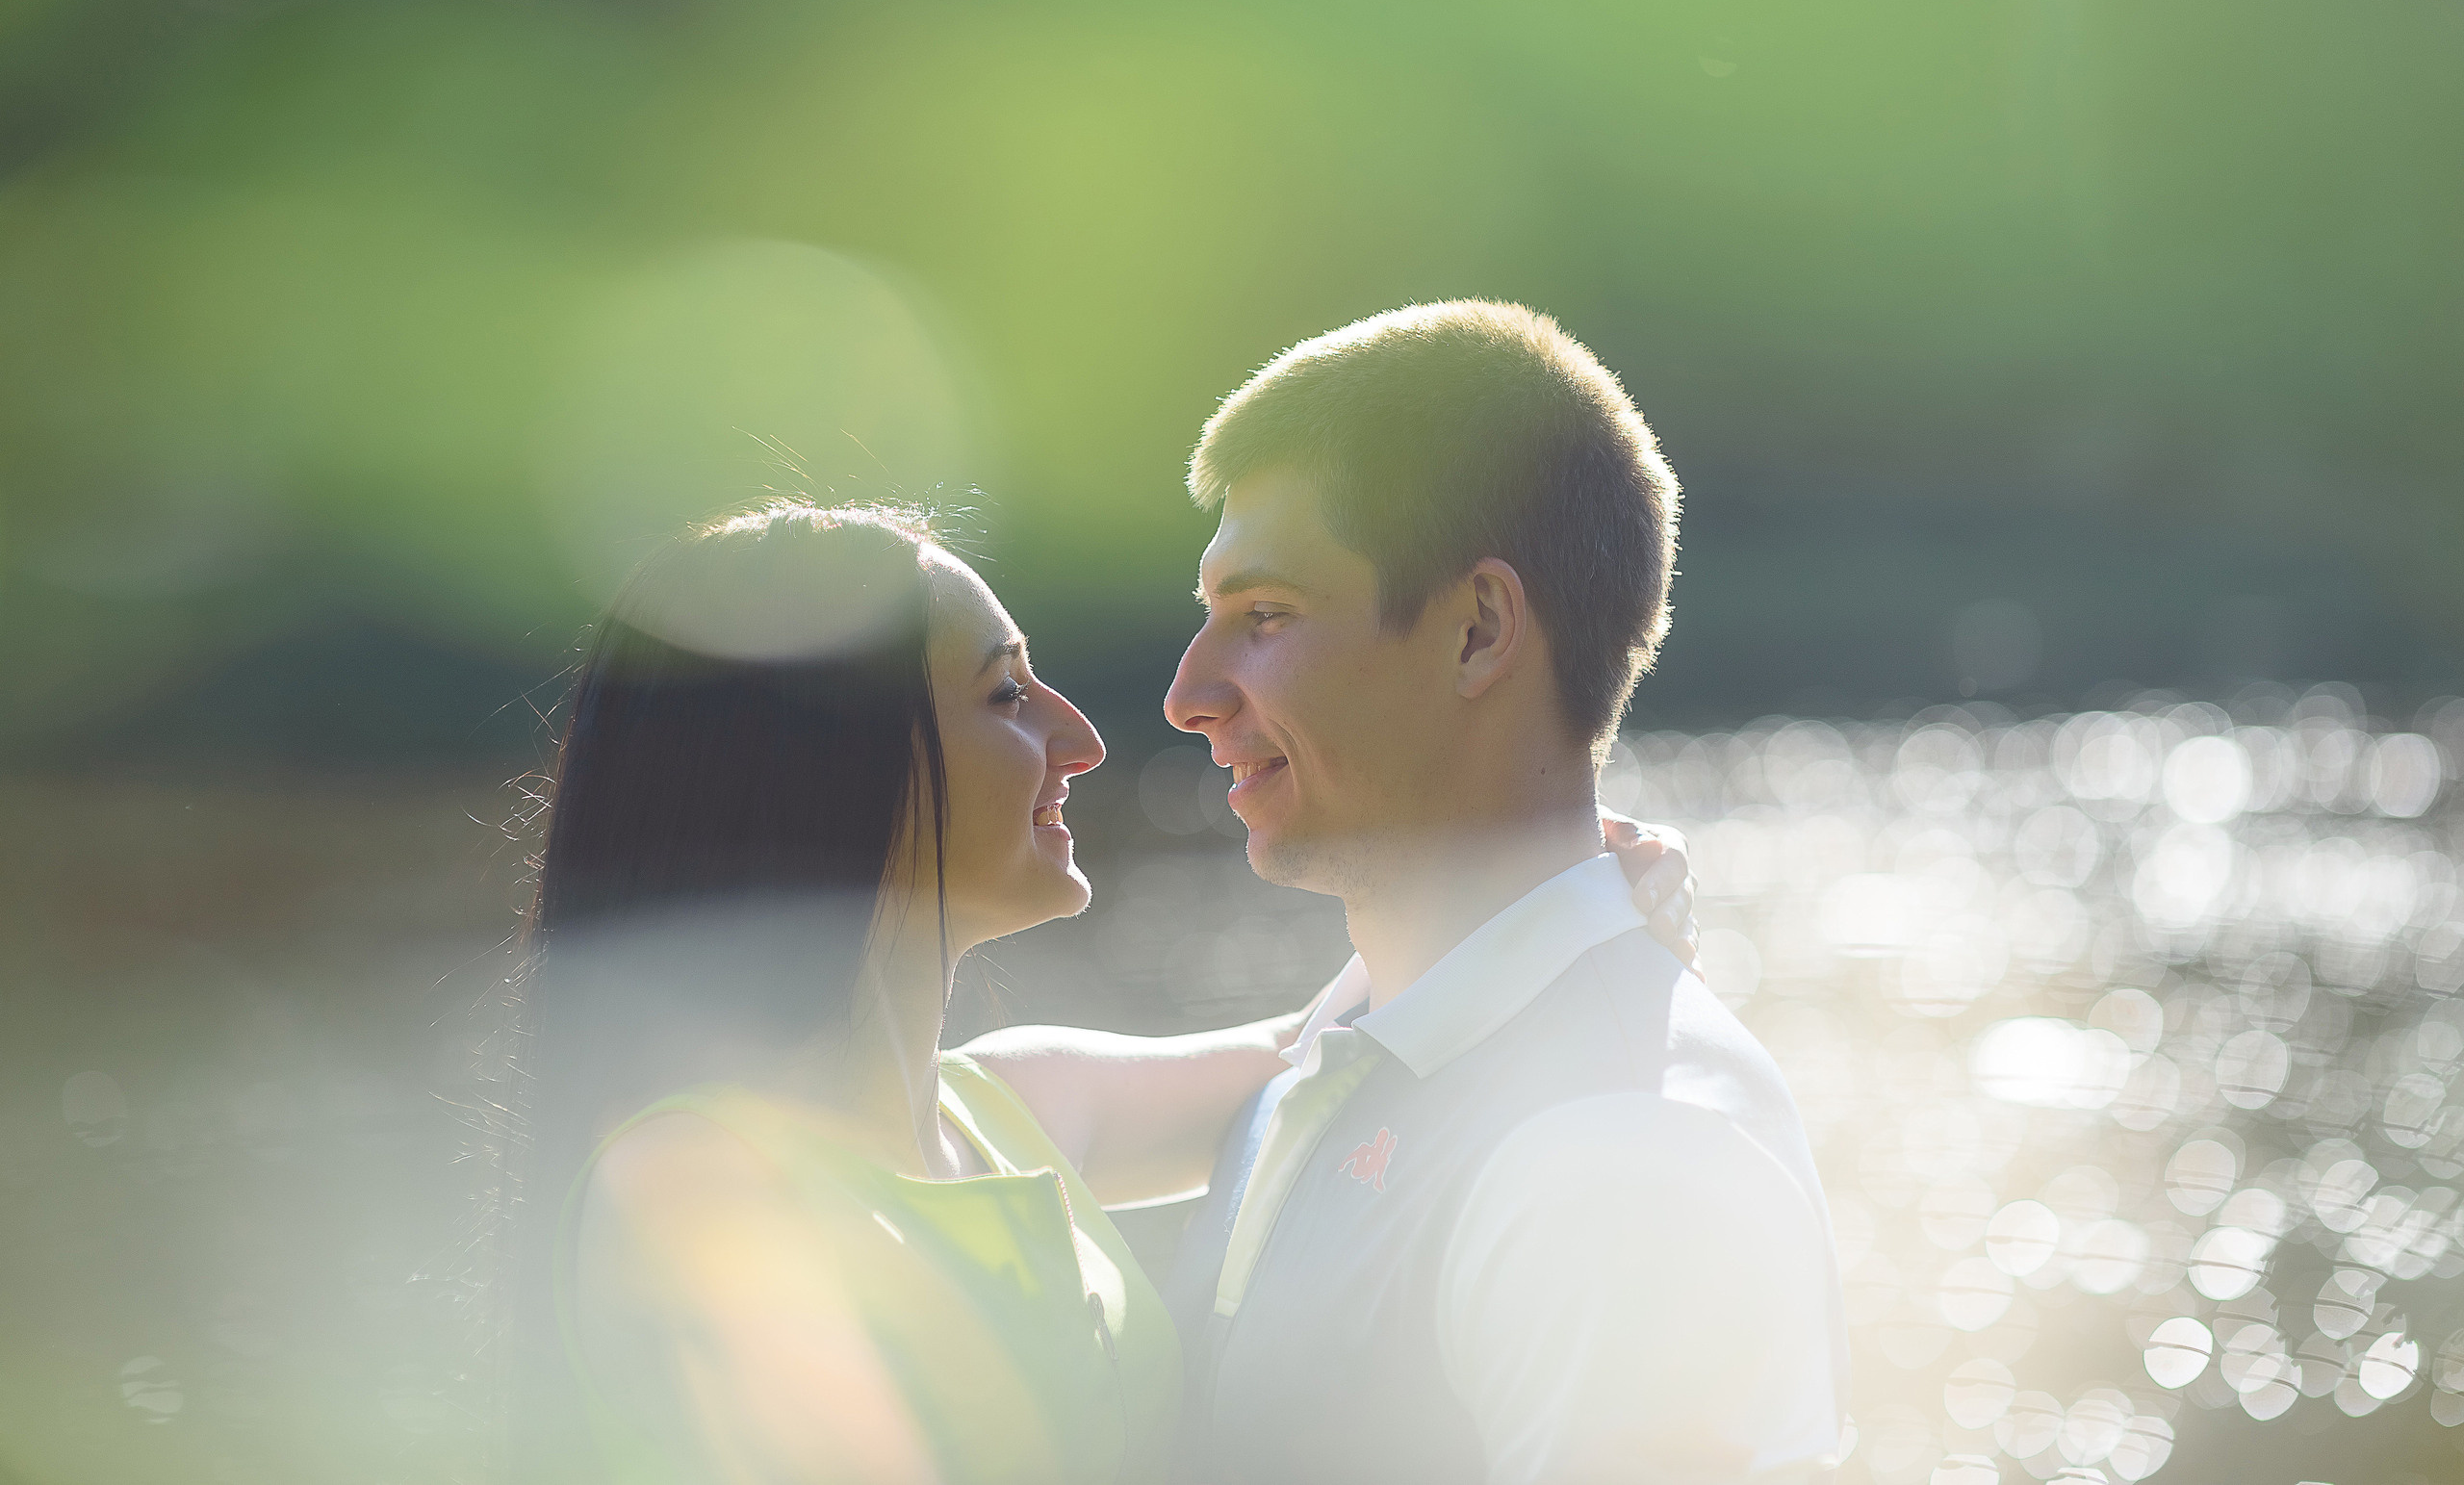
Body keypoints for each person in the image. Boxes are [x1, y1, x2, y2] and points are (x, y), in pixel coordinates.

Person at [508, 499, 1698, 1484]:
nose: (1079, 741)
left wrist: (1545, 882)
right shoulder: (694, 1192)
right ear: (826, 767)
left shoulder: (1005, 1106)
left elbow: (1328, 1051)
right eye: (1005, 694)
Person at [1161, 301, 1847, 1484]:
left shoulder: (1618, 1163)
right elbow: (947, 1109)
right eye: (1208, 615)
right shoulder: (1349, 1049)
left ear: (1477, 630)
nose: (1188, 693)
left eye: (1264, 616)